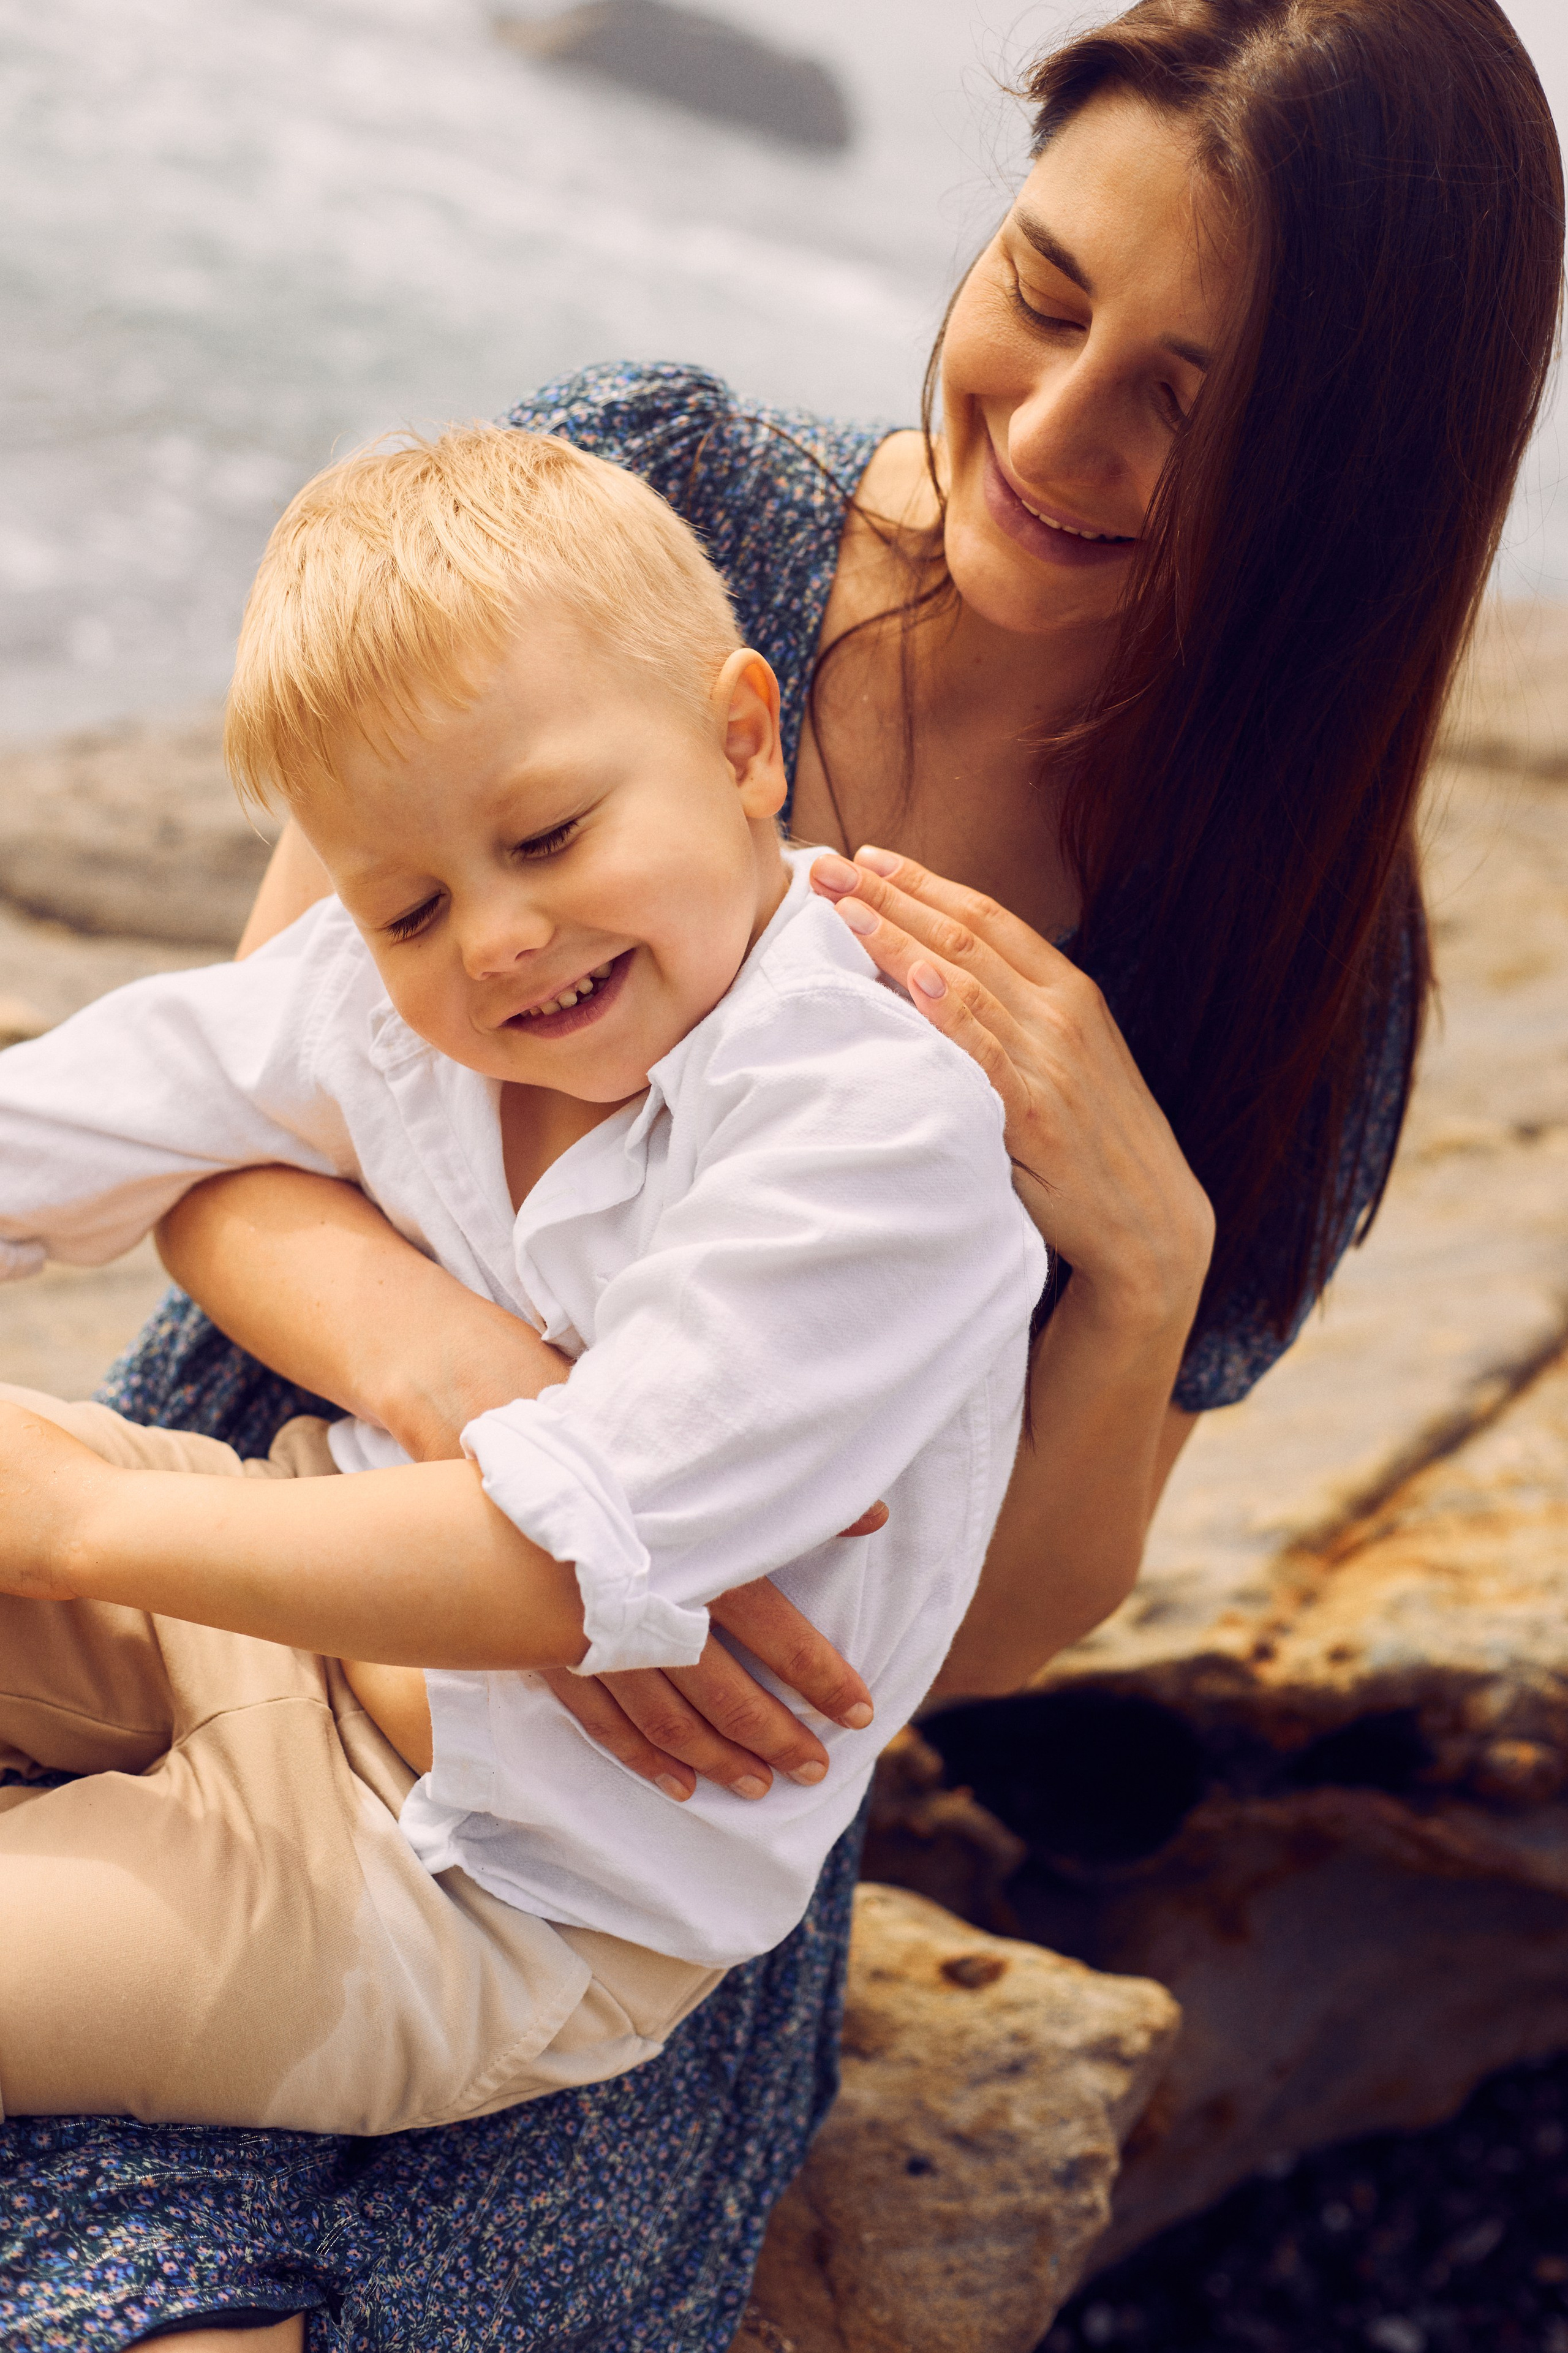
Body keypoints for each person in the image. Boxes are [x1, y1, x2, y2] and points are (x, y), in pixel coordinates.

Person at [1, 0, 1559, 2346]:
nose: (1055, 429)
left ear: (1360, 473)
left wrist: (1138, 1271)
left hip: (654, 1797)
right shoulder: (644, 511)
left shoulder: (1291, 958)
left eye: (1190, 404)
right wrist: (495, 1399)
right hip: (293, 1482)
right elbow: (251, 1112)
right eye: (1043, 294)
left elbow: (992, 1637)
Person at [0, 423, 1041, 2130]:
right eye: (408, 906)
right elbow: (106, 1100)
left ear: (742, 742)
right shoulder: (392, 998)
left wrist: (66, 1522)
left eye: (549, 835)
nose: (490, 936)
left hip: (483, 1892)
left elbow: (556, 1563)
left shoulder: (875, 1128)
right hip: (253, 1612)